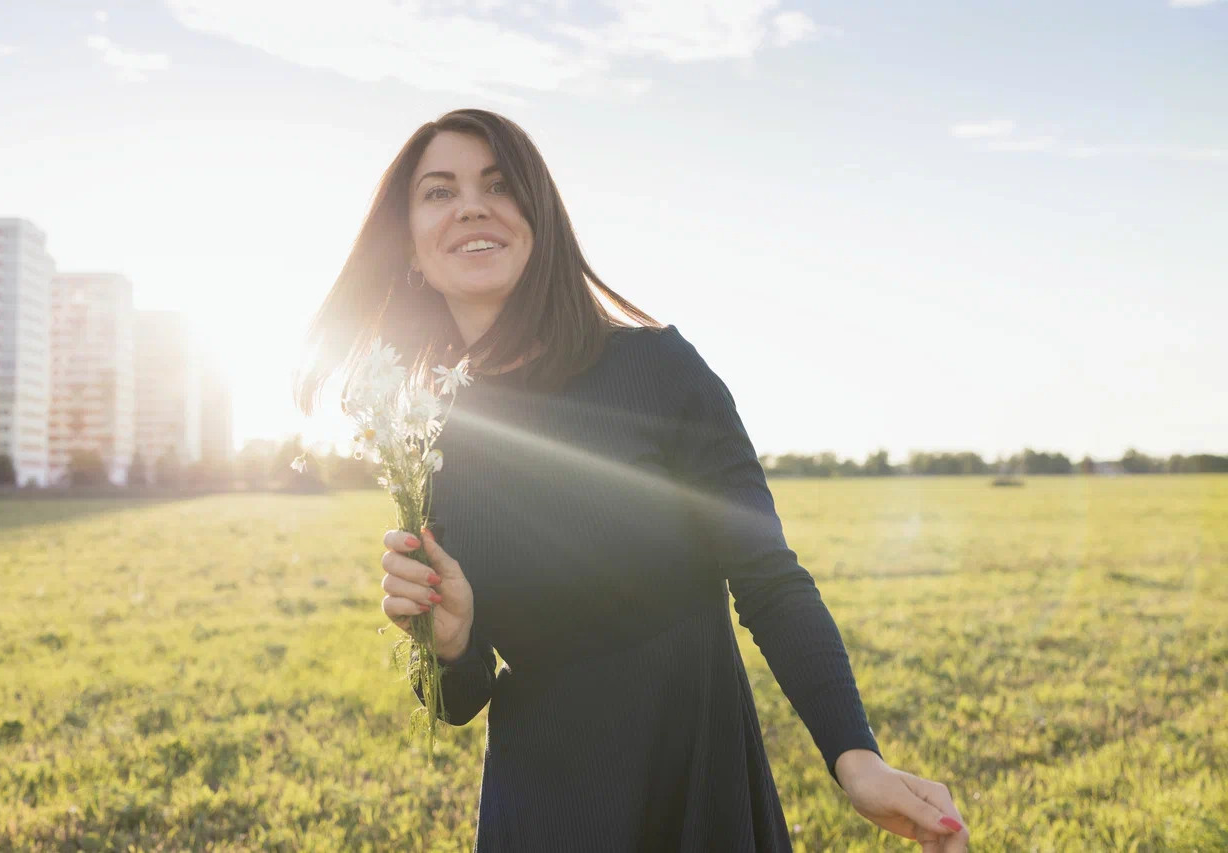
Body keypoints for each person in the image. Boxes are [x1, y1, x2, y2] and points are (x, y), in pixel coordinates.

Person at [294, 108, 970, 852]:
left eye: (498, 183)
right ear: (413, 248)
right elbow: (460, 699)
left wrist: (856, 755)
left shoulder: (660, 371)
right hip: (544, 808)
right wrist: (449, 641)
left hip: (694, 790)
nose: (472, 206)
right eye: (439, 192)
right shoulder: (430, 437)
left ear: (539, 219)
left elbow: (769, 579)